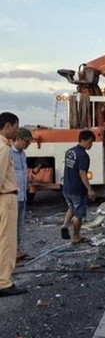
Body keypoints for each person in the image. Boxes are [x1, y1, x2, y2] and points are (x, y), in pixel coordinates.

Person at [0, 112, 27, 297]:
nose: (17, 130)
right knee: (7, 242)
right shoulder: (4, 148)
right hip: (6, 197)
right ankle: (4, 282)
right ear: (8, 125)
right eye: (16, 126)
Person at [60, 130, 96, 244]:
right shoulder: (83, 155)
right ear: (83, 140)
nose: (91, 145)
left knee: (71, 207)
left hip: (66, 187)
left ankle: (65, 225)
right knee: (78, 214)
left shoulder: (70, 152)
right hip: (77, 189)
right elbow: (82, 173)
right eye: (90, 142)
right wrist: (90, 189)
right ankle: (76, 236)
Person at [11, 128, 33, 260]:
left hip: (22, 195)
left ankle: (16, 249)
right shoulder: (7, 153)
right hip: (12, 195)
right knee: (11, 225)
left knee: (20, 224)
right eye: (26, 141)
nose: (28, 144)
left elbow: (23, 173)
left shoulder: (22, 154)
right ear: (18, 139)